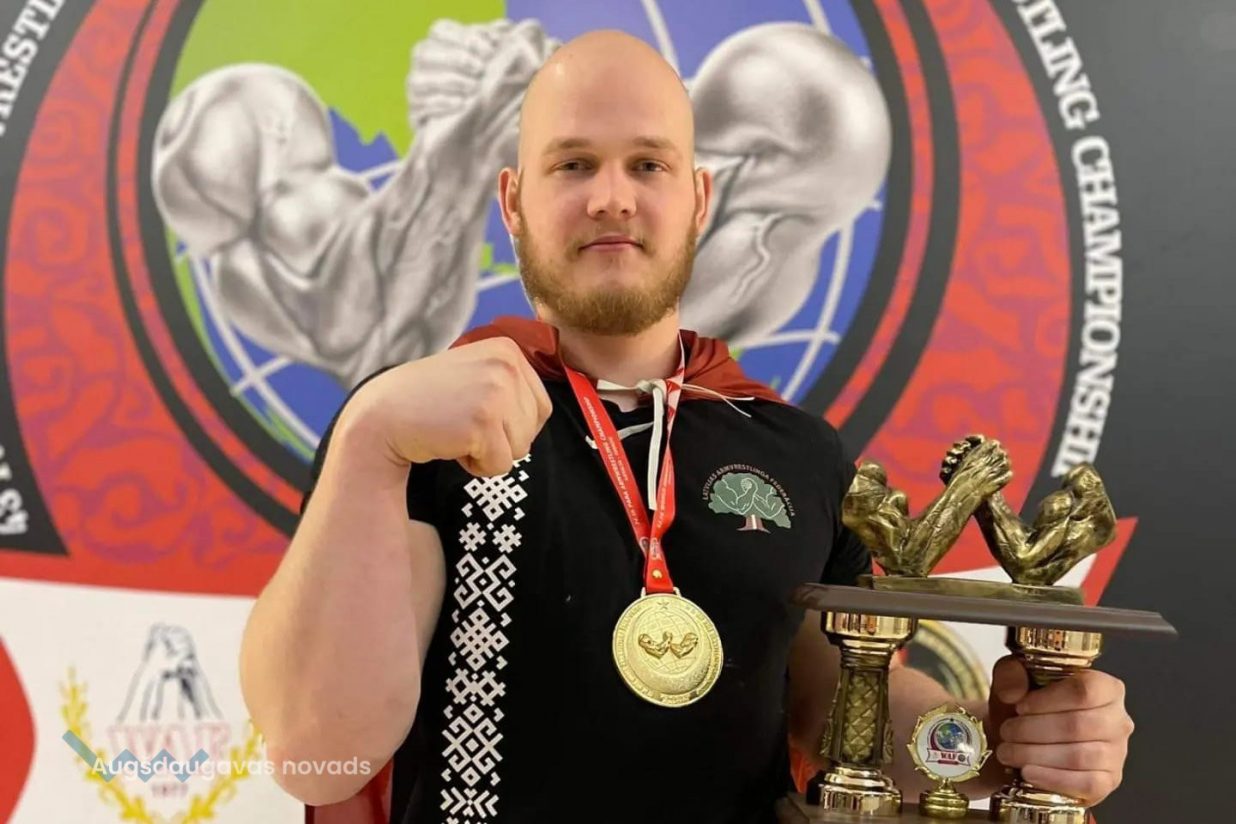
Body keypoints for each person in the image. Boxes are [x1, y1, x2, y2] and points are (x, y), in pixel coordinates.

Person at [239, 29, 1134, 824]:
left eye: (649, 165)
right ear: (512, 202)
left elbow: (840, 710)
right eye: (573, 164)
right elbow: (319, 749)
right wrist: (366, 442)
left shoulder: (800, 454)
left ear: (701, 198)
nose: (611, 197)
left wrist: (1011, 745)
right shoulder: (419, 430)